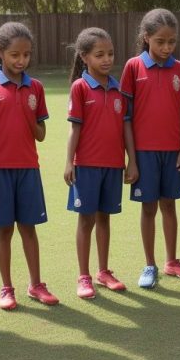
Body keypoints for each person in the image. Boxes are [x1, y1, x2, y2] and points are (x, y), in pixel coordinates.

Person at [0, 22, 59, 309]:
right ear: (0, 52)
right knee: (4, 229)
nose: (21, 61)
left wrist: (28, 115)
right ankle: (6, 288)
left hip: (27, 170)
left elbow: (41, 134)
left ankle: (36, 284)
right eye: (14, 55)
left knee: (29, 228)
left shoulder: (36, 88)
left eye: (26, 55)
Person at [119, 9, 180, 289]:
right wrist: (131, 157)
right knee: (149, 208)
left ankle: (171, 261)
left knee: (170, 205)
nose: (166, 48)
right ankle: (150, 264)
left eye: (172, 42)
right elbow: (125, 116)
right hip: (144, 153)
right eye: (160, 42)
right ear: (146, 38)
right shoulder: (133, 67)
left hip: (172, 151)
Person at [65, 27, 139, 299]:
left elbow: (127, 128)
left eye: (110, 54)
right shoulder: (80, 88)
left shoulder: (120, 90)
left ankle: (103, 271)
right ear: (85, 57)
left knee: (105, 218)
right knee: (86, 221)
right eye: (99, 55)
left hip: (113, 165)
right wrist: (69, 163)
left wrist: (131, 160)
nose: (107, 59)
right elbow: (75, 129)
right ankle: (83, 276)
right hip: (86, 165)